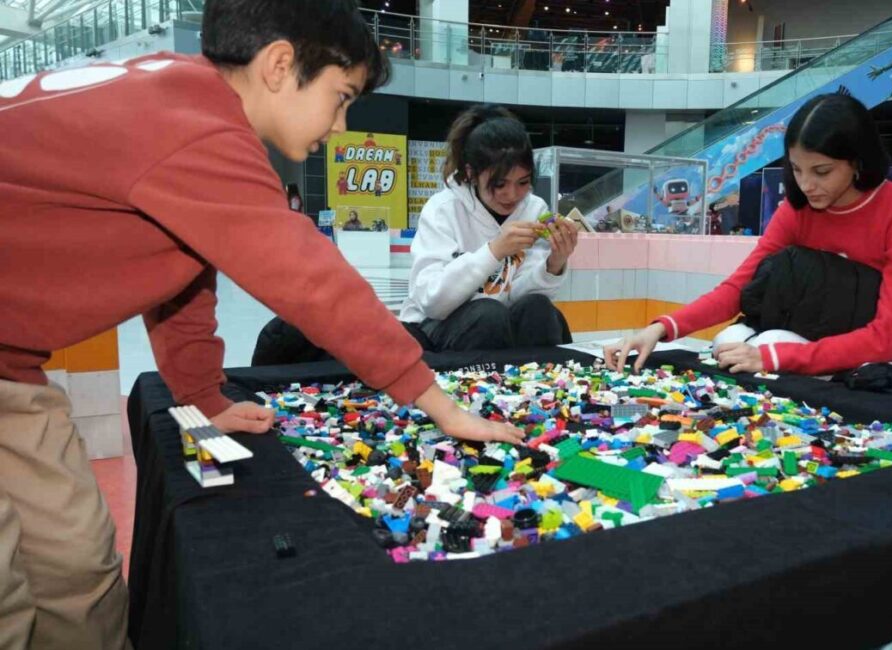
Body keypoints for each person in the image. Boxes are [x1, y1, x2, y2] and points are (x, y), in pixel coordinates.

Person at [0, 1, 523, 647]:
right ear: (280, 65)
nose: (339, 124)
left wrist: (199, 397)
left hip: (12, 372)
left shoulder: (172, 97)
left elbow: (181, 275)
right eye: (340, 97)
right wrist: (438, 404)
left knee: (75, 569)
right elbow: (314, 282)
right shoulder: (198, 129)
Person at [607, 93, 892, 376]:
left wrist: (776, 356)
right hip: (805, 339)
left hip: (869, 355)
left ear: (858, 162)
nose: (806, 184)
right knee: (729, 344)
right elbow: (742, 286)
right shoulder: (797, 208)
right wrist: (660, 328)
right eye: (796, 169)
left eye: (821, 171)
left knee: (764, 343)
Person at [400, 104, 579, 352]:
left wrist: (554, 264)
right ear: (472, 173)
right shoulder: (443, 209)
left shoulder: (534, 208)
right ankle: (470, 389)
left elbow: (520, 299)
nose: (512, 194)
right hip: (437, 327)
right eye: (499, 183)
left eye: (523, 182)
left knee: (539, 308)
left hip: (499, 325)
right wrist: (494, 251)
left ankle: (539, 387)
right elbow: (433, 303)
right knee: (487, 313)